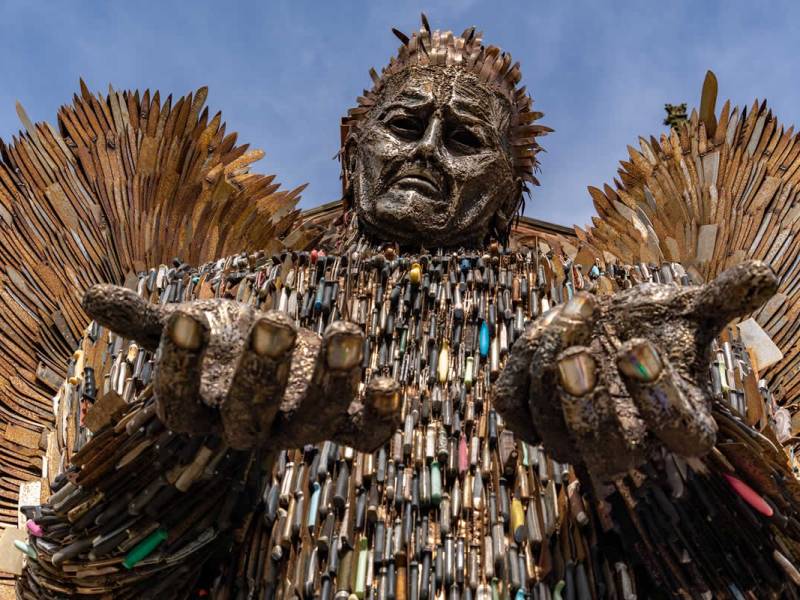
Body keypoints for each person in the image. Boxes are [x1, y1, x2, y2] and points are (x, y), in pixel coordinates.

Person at [5, 15, 800, 599]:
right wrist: (179, 450)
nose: (424, 151)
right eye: (404, 125)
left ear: (504, 195)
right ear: (351, 159)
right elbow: (58, 580)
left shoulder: (634, 321)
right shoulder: (194, 308)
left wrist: (683, 463)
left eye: (462, 139)